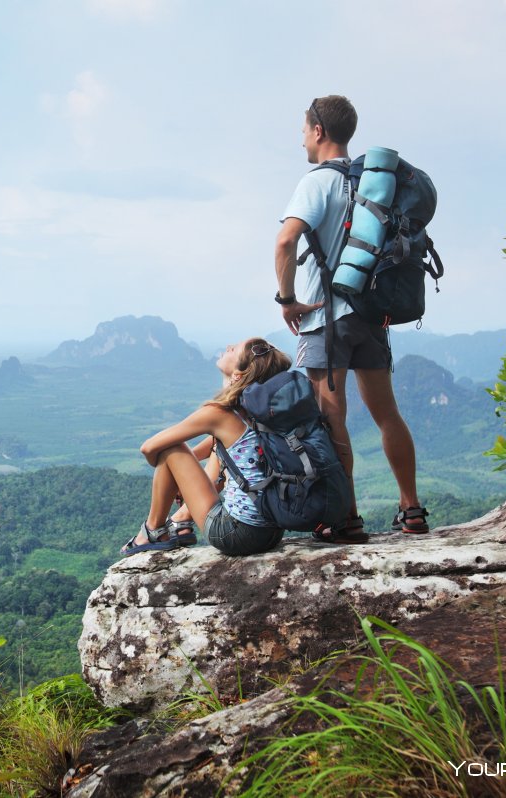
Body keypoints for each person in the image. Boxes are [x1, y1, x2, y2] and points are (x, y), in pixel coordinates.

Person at [272, 94, 429, 542]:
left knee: (330, 416)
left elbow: (285, 242)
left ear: (319, 131)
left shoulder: (316, 182)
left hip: (326, 317)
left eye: (304, 129)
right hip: (371, 312)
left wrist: (286, 299)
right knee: (388, 413)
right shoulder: (372, 182)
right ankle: (411, 508)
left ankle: (346, 516)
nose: (302, 138)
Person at [120, 337, 292, 557]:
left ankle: (153, 530)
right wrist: (182, 476)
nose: (229, 346)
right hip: (272, 532)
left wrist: (170, 468)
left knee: (170, 449)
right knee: (217, 448)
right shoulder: (259, 410)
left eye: (235, 349)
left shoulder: (220, 414)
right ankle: (182, 520)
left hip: (236, 535)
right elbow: (207, 449)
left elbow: (149, 448)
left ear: (238, 375)